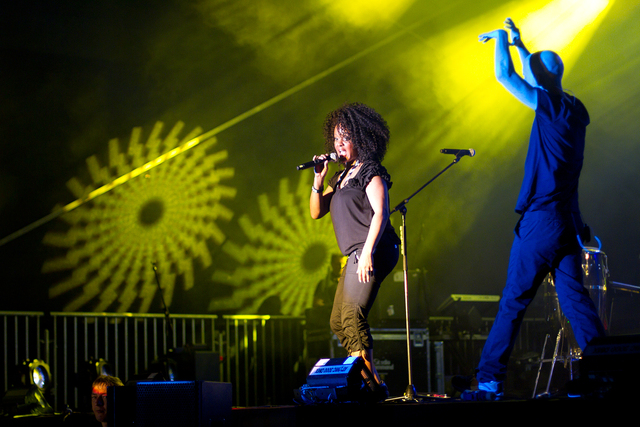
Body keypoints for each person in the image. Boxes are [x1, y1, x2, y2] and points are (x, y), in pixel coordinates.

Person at [458, 18, 606, 400]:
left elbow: (507, 77)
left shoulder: (551, 108)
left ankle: (489, 381)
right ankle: (606, 374)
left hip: (541, 223)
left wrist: (501, 42)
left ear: (541, 80)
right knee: (576, 301)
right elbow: (536, 76)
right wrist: (524, 47)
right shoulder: (575, 109)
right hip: (566, 225)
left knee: (514, 301)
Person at [310, 102, 400, 400]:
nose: (339, 145)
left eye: (345, 138)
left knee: (352, 313)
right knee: (338, 320)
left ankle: (373, 387)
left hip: (374, 247)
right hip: (355, 253)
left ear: (360, 139)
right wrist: (318, 179)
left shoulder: (370, 170)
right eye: (336, 139)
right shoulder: (340, 177)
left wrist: (369, 252)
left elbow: (381, 212)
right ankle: (367, 381)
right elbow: (316, 212)